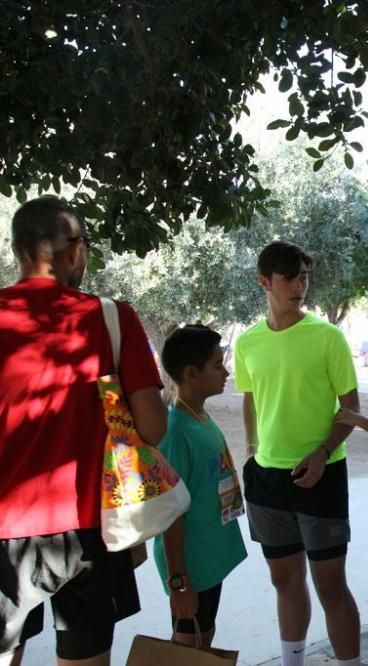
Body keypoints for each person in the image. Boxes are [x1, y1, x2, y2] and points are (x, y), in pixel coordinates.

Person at [0, 196, 167, 666]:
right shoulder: (114, 319)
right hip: (94, 531)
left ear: (18, 250)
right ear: (75, 249)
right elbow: (153, 428)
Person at [235, 241, 362, 666]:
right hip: (268, 481)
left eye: (304, 277)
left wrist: (323, 451)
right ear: (264, 282)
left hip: (322, 477)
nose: (299, 286)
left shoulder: (328, 338)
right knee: (285, 581)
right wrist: (252, 453)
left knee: (331, 586)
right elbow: (250, 400)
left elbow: (351, 409)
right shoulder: (249, 342)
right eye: (289, 278)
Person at [154, 325, 248, 647]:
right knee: (187, 645)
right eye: (218, 365)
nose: (226, 372)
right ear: (192, 373)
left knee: (203, 637)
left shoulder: (200, 417)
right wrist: (179, 582)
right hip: (189, 566)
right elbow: (170, 513)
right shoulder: (175, 432)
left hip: (209, 559)